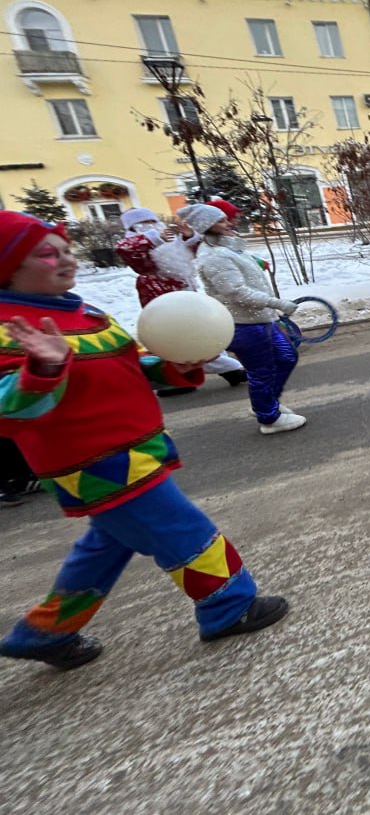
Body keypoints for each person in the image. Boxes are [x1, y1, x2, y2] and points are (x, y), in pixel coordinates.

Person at [0, 212, 288, 670]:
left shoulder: (81, 312)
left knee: (106, 546)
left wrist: (182, 361)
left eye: (66, 248)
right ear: (8, 265)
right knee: (183, 532)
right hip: (94, 464)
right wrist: (44, 370)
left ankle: (44, 631)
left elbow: (132, 364)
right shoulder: (11, 328)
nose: (66, 259)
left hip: (134, 450)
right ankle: (229, 606)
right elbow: (11, 413)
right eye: (46, 253)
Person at [181, 203, 306, 435]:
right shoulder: (213, 257)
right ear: (207, 227)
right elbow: (237, 292)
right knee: (262, 371)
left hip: (262, 318)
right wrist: (277, 303)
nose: (229, 223)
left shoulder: (228, 249)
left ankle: (266, 403)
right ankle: (269, 417)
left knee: (287, 357)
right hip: (244, 325)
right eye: (221, 221)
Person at [115, 206, 247, 391]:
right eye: (142, 223)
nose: (150, 226)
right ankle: (227, 369)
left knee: (201, 328)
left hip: (184, 289)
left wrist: (187, 236)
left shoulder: (169, 239)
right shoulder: (134, 243)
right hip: (159, 293)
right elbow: (128, 250)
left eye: (152, 221)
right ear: (132, 227)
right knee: (182, 333)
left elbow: (191, 252)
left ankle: (207, 372)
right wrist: (155, 238)